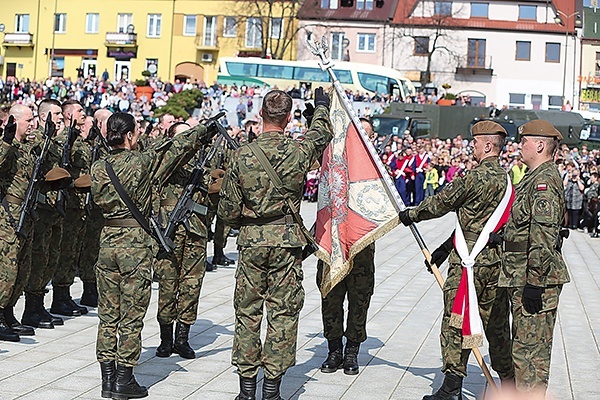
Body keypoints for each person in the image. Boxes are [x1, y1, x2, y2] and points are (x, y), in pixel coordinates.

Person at [218, 88, 332, 400]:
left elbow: (226, 211)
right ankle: (271, 390)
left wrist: (248, 220)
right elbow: (321, 133)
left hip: (252, 243)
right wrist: (322, 106)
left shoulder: (242, 155)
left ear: (260, 116)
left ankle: (245, 390)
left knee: (247, 312)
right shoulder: (298, 151)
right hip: (287, 245)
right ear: (289, 117)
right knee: (283, 313)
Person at [91, 112, 211, 399]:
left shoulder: (98, 167)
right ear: (131, 135)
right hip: (135, 245)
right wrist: (203, 130)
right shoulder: (142, 163)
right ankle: (124, 380)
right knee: (131, 315)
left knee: (108, 315)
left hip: (108, 240)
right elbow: (177, 148)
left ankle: (107, 380)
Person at [399, 120, 514, 400]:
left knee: (457, 321)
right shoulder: (508, 181)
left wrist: (411, 214)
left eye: (475, 142)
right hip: (494, 264)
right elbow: (477, 223)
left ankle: (451, 388)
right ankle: (510, 384)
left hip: (467, 264)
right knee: (496, 324)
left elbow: (440, 203)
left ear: (488, 145)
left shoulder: (473, 178)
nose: (470, 147)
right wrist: (443, 247)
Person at [498, 120, 570, 394]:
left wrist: (535, 282)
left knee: (530, 355)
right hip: (522, 274)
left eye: (524, 141)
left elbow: (543, 236)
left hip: (534, 277)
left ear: (540, 145)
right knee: (525, 351)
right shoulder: (534, 176)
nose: (520, 146)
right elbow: (526, 227)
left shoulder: (543, 182)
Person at [316, 118, 377, 377]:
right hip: (333, 239)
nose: (361, 138)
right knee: (330, 296)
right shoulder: (334, 161)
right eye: (357, 133)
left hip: (361, 244)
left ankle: (351, 350)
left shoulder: (377, 168)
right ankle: (333, 349)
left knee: (359, 298)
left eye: (367, 134)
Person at [154, 122, 210, 360]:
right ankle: (165, 338)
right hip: (170, 228)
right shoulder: (166, 161)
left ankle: (182, 337)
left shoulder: (202, 163)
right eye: (184, 135)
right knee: (168, 283)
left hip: (195, 230)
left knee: (192, 283)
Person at [0, 104, 38, 341]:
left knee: (22, 268)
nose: (33, 124)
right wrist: (5, 140)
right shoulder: (7, 146)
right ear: (15, 121)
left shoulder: (27, 148)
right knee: (7, 268)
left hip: (26, 212)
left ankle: (8, 311)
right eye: (29, 120)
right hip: (8, 215)